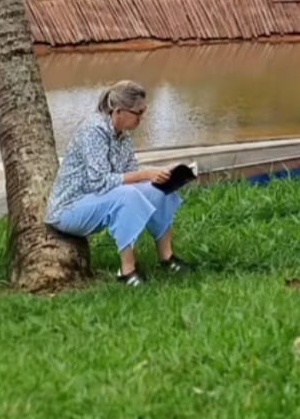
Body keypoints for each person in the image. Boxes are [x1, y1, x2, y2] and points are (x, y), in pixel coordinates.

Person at [45, 80, 193, 286]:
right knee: (127, 195)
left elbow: (131, 172)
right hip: (70, 209)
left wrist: (161, 173)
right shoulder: (94, 130)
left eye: (144, 112)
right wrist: (145, 174)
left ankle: (167, 258)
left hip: (97, 200)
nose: (141, 118)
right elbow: (99, 181)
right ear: (119, 111)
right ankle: (128, 271)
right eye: (138, 113)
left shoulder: (124, 134)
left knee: (158, 189)